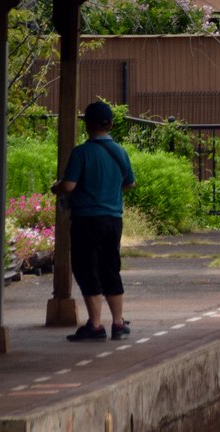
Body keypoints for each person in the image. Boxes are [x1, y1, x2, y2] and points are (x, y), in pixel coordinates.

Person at [52, 101, 136, 342]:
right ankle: (118, 324)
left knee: (87, 269)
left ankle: (96, 326)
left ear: (87, 125)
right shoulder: (120, 151)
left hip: (87, 220)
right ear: (110, 125)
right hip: (113, 219)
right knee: (110, 268)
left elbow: (69, 185)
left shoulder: (82, 153)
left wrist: (56, 187)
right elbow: (130, 183)